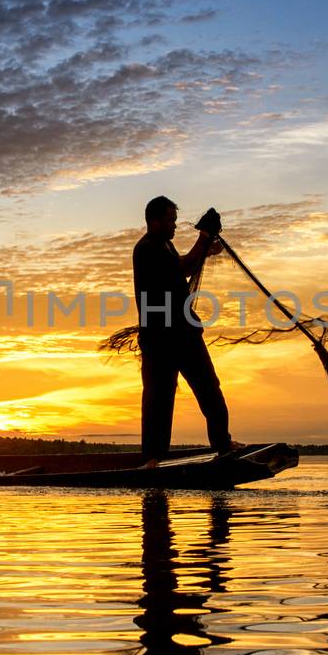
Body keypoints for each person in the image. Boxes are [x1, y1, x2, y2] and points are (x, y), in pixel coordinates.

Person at [133, 196, 238, 465]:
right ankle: (153, 459)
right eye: (170, 221)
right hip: (160, 340)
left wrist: (206, 249)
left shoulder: (165, 246)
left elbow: (182, 267)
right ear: (154, 221)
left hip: (184, 334)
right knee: (159, 399)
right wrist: (203, 237)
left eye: (175, 221)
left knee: (209, 389)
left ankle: (223, 444)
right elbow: (182, 267)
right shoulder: (146, 249)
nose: (175, 226)